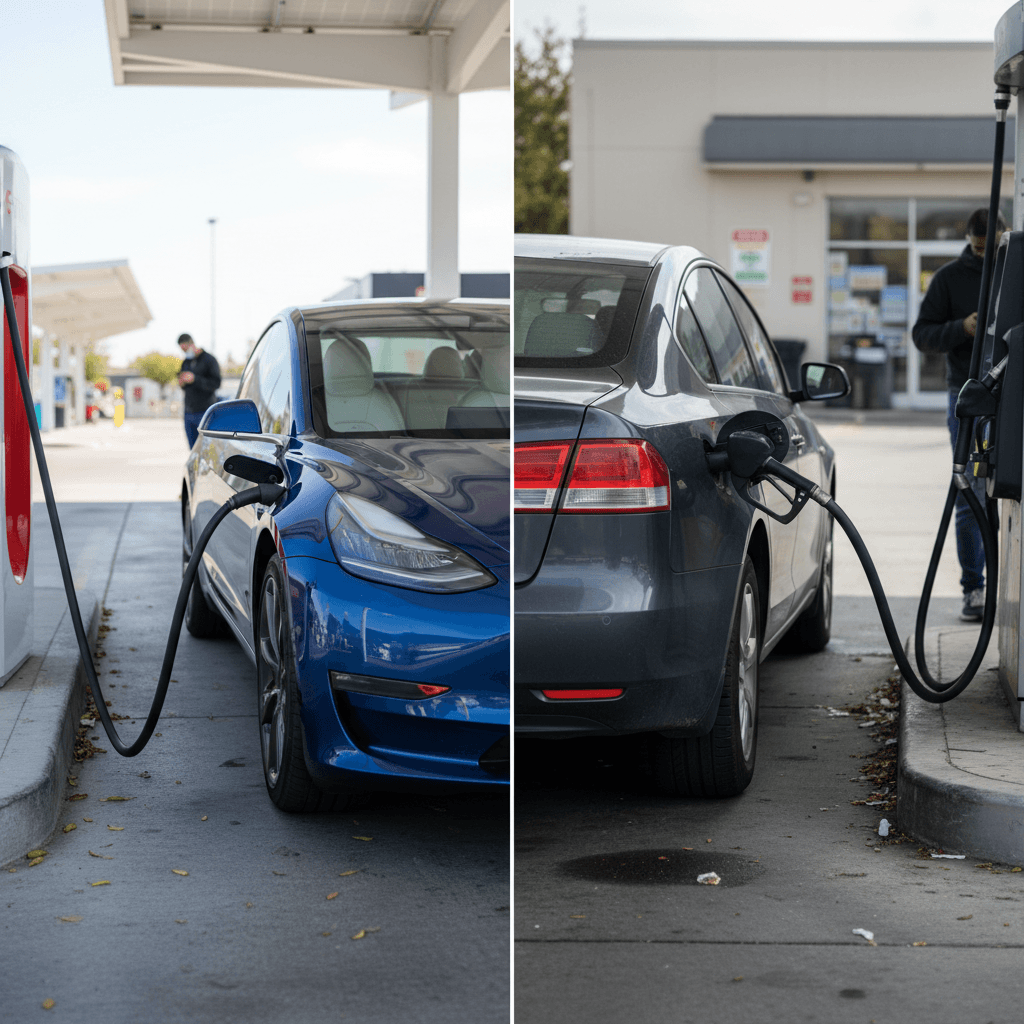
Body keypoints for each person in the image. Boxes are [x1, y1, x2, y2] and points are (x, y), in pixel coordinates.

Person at [911, 207, 1006, 622]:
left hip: (1010, 392)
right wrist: (960, 329)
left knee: (1006, 489)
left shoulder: (1014, 271)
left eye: (992, 248)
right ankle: (975, 590)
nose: (984, 256)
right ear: (969, 241)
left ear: (1005, 238)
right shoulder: (949, 277)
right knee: (968, 486)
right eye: (978, 248)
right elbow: (922, 335)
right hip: (966, 393)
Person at [177, 333, 221, 449]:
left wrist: (195, 379)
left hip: (205, 412)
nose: (185, 352)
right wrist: (182, 382)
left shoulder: (209, 360)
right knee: (193, 450)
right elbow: (183, 384)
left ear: (191, 344)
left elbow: (216, 383)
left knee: (207, 449)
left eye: (185, 349)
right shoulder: (185, 362)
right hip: (188, 412)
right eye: (182, 350)